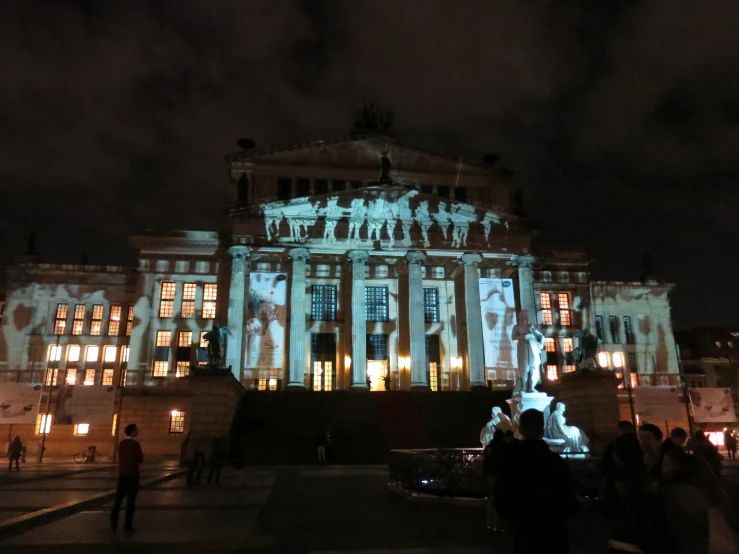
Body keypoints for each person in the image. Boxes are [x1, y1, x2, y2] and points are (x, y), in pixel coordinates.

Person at [496, 409, 578, 554]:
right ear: (542, 429)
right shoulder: (556, 461)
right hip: (555, 534)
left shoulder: (511, 462)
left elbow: (502, 502)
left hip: (525, 533)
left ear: (520, 430)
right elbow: (570, 501)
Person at [659, 449, 731, 554]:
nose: (662, 468)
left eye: (666, 464)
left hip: (687, 545)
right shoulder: (716, 492)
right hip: (714, 544)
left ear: (678, 468)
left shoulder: (674, 492)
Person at [110, 423, 144, 532]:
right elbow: (140, 459)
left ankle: (113, 522)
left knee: (118, 499)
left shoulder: (122, 443)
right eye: (136, 429)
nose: (138, 431)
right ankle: (127, 525)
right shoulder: (135, 444)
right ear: (133, 431)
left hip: (122, 474)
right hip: (133, 474)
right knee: (131, 500)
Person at [483, 429, 507, 532]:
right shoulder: (503, 448)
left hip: (490, 475)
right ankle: (497, 525)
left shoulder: (489, 448)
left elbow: (486, 462)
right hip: (500, 475)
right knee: (499, 499)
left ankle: (489, 523)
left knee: (491, 499)